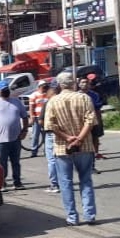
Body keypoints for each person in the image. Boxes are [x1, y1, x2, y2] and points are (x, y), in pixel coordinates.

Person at [43, 71, 97, 226]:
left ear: (59, 85)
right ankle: (89, 215)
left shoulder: (53, 101)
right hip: (84, 145)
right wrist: (79, 138)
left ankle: (72, 217)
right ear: (73, 83)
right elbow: (90, 120)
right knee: (85, 180)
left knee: (66, 182)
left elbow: (49, 125)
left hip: (62, 147)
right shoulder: (84, 98)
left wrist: (67, 137)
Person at [40, 81, 60, 193]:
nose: (46, 92)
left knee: (52, 160)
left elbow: (41, 120)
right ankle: (64, 182)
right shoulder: (63, 101)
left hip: (51, 133)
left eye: (47, 90)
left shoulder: (48, 103)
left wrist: (44, 128)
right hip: (63, 133)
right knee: (62, 159)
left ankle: (54, 184)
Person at [28, 80, 49, 157]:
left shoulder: (48, 94)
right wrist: (32, 116)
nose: (45, 88)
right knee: (35, 135)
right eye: (44, 86)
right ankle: (34, 151)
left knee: (46, 134)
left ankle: (46, 151)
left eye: (46, 86)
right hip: (37, 117)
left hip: (46, 118)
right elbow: (31, 107)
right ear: (39, 87)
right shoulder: (34, 95)